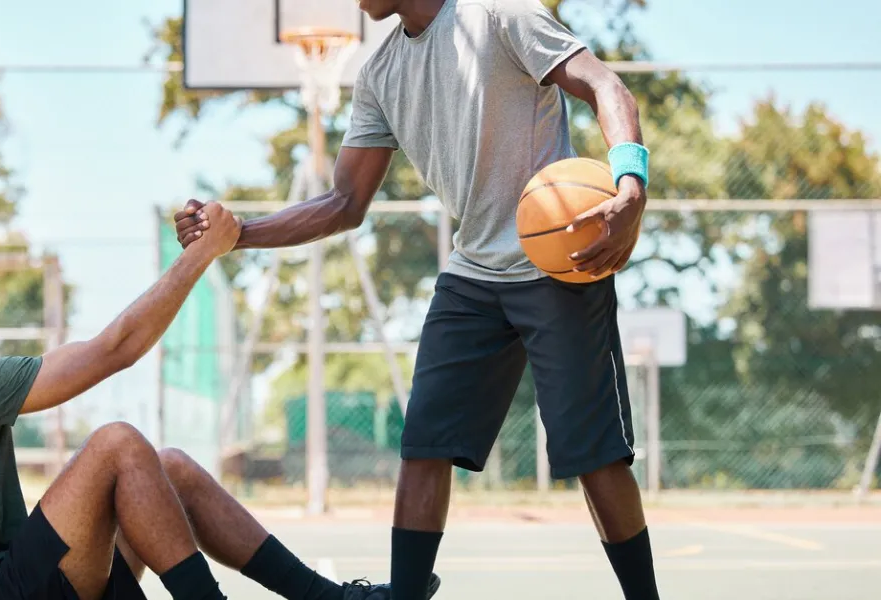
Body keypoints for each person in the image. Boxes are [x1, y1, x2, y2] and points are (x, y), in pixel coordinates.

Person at [172, 1, 658, 599]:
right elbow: (344, 203)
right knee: (423, 444)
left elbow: (606, 86)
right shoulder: (381, 75)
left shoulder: (501, 16)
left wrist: (630, 184)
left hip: (558, 262)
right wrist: (239, 233)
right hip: (474, 273)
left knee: (596, 457)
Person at [0, 201, 441, 600]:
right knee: (116, 443)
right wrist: (202, 253)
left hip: (21, 583)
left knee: (169, 469)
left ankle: (323, 597)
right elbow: (116, 349)